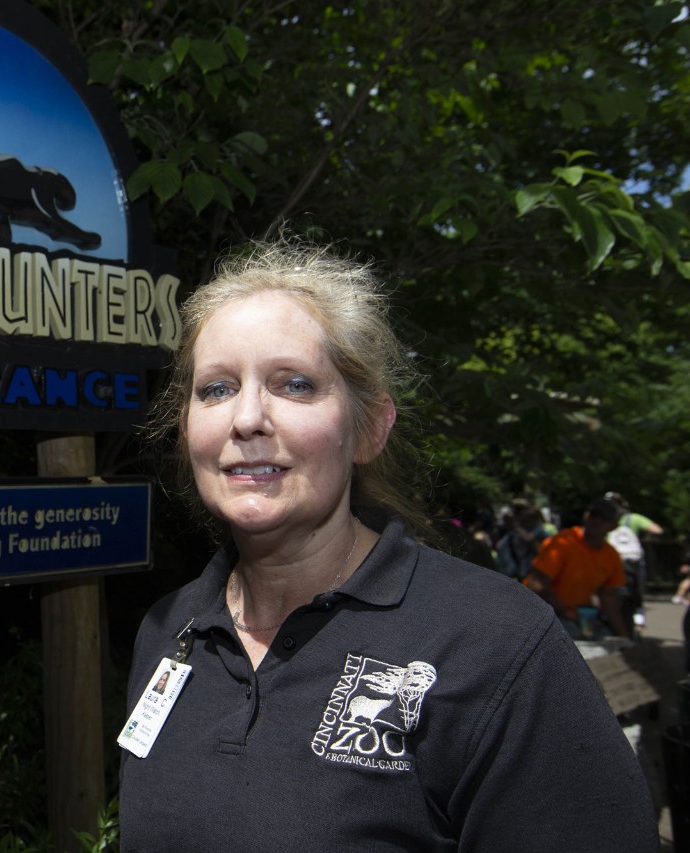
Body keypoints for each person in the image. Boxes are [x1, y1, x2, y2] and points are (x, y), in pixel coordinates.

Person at [118, 238, 656, 851]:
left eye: (293, 384)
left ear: (369, 428)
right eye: (215, 389)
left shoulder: (496, 645)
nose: (246, 418)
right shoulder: (168, 629)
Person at [523, 498, 631, 640]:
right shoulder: (563, 543)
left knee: (606, 639)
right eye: (594, 514)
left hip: (579, 619)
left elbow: (608, 598)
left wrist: (623, 636)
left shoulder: (611, 555)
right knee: (572, 637)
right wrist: (567, 614)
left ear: (614, 526)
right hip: (541, 615)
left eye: (605, 518)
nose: (597, 520)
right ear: (586, 516)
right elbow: (536, 585)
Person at [603, 491, 664, 633]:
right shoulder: (634, 519)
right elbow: (657, 530)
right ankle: (639, 621)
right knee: (637, 593)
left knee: (610, 594)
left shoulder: (603, 520)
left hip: (612, 562)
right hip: (632, 564)